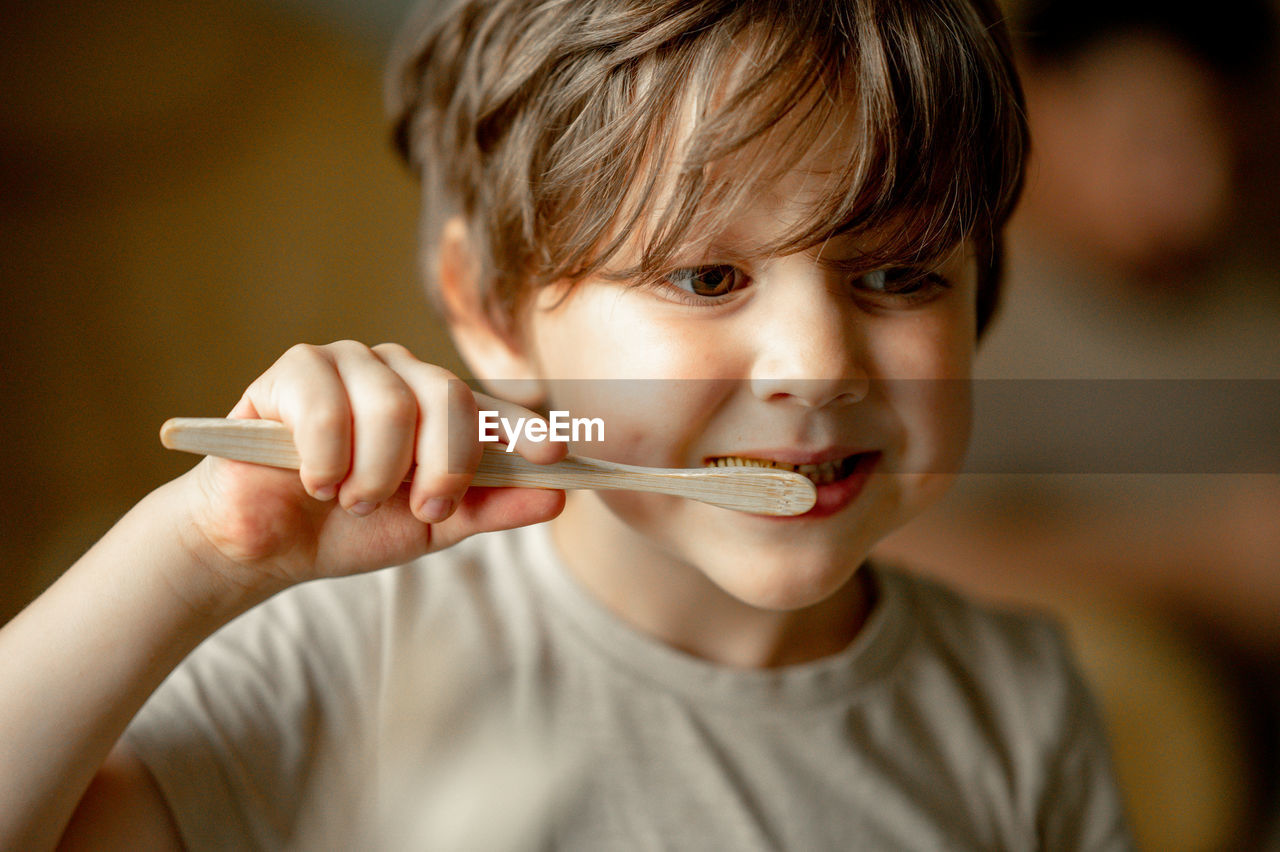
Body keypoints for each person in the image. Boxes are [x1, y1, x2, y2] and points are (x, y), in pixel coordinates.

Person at [0, 0, 1133, 848]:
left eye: (895, 275)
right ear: (491, 312)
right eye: (704, 278)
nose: (818, 366)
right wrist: (201, 553)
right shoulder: (344, 654)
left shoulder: (1019, 706)